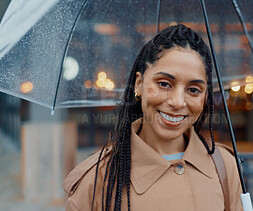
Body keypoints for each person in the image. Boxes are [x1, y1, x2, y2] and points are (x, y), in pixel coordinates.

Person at [63, 24, 243, 211]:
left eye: (193, 90)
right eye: (164, 84)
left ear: (205, 97)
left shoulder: (225, 166)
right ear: (139, 84)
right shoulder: (97, 179)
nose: (178, 102)